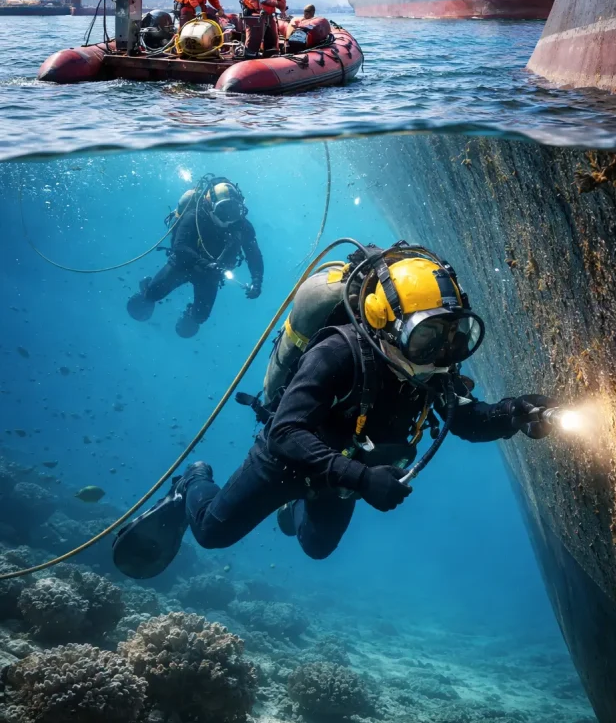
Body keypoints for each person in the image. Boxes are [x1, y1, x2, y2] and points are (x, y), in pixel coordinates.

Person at [114, 241, 552, 579]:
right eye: (426, 337)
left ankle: (297, 505)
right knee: (211, 532)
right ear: (387, 326)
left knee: (316, 548)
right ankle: (193, 480)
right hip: (286, 462)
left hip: (344, 475)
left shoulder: (432, 364)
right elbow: (286, 432)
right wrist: (362, 479)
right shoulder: (338, 353)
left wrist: (512, 414)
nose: (439, 354)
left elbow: (463, 419)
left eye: (453, 336)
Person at [126, 178, 263, 338]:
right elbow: (180, 246)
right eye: (223, 209)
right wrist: (204, 263)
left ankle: (189, 313)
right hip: (182, 265)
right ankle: (147, 287)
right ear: (210, 204)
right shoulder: (194, 216)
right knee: (150, 296)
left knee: (200, 317)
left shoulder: (242, 226)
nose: (228, 218)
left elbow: (254, 255)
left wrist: (257, 281)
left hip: (210, 275)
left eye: (233, 211)